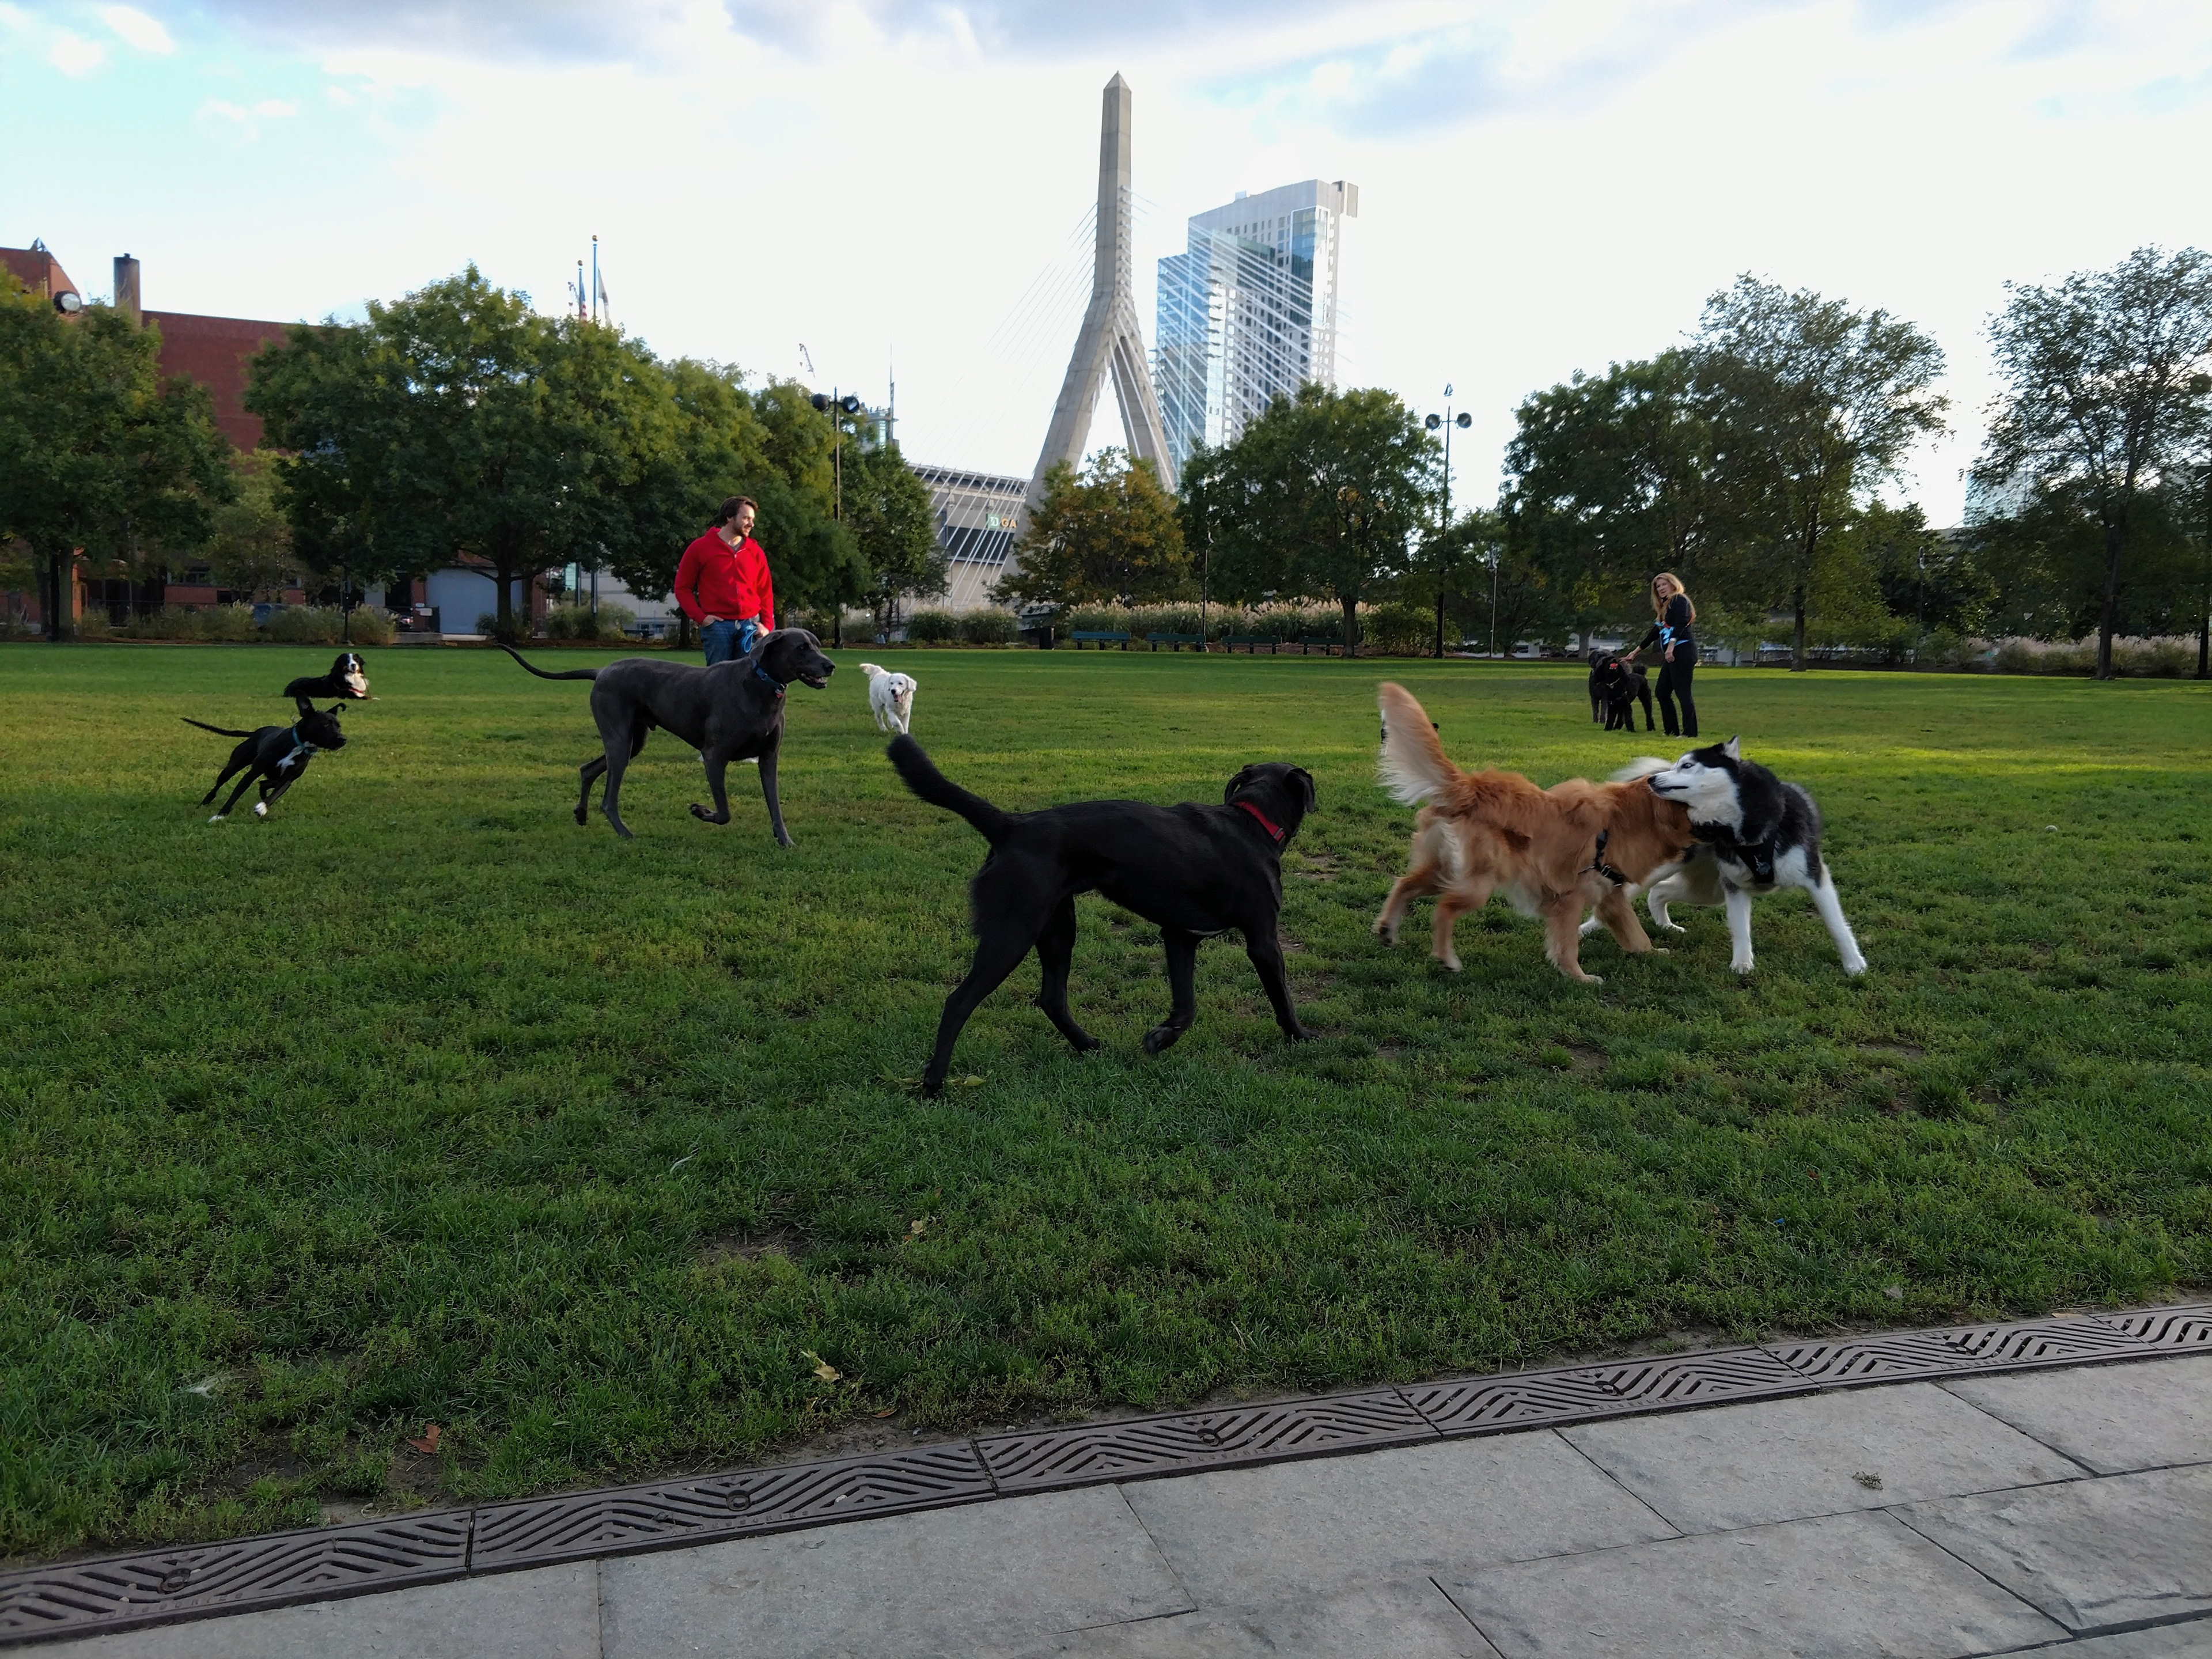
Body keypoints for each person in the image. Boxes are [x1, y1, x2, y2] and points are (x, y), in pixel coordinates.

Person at [674, 496, 777, 666]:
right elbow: (682, 588)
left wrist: (767, 625)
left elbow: (765, 592)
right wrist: (702, 618)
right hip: (718, 627)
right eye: (746, 518)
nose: (751, 524)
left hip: (750, 627)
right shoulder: (700, 548)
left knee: (749, 677)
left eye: (752, 519)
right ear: (729, 517)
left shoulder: (755, 552)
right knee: (718, 679)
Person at [1623, 572, 1698, 738]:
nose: (1661, 588)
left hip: (1683, 652)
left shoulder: (1679, 600)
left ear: (1673, 584)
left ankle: (1690, 733)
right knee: (1662, 692)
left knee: (1683, 693)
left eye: (1664, 584)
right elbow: (1655, 632)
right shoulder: (1665, 607)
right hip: (1673, 655)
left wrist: (1671, 647)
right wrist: (1635, 652)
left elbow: (1681, 624)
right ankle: (1671, 730)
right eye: (1658, 587)